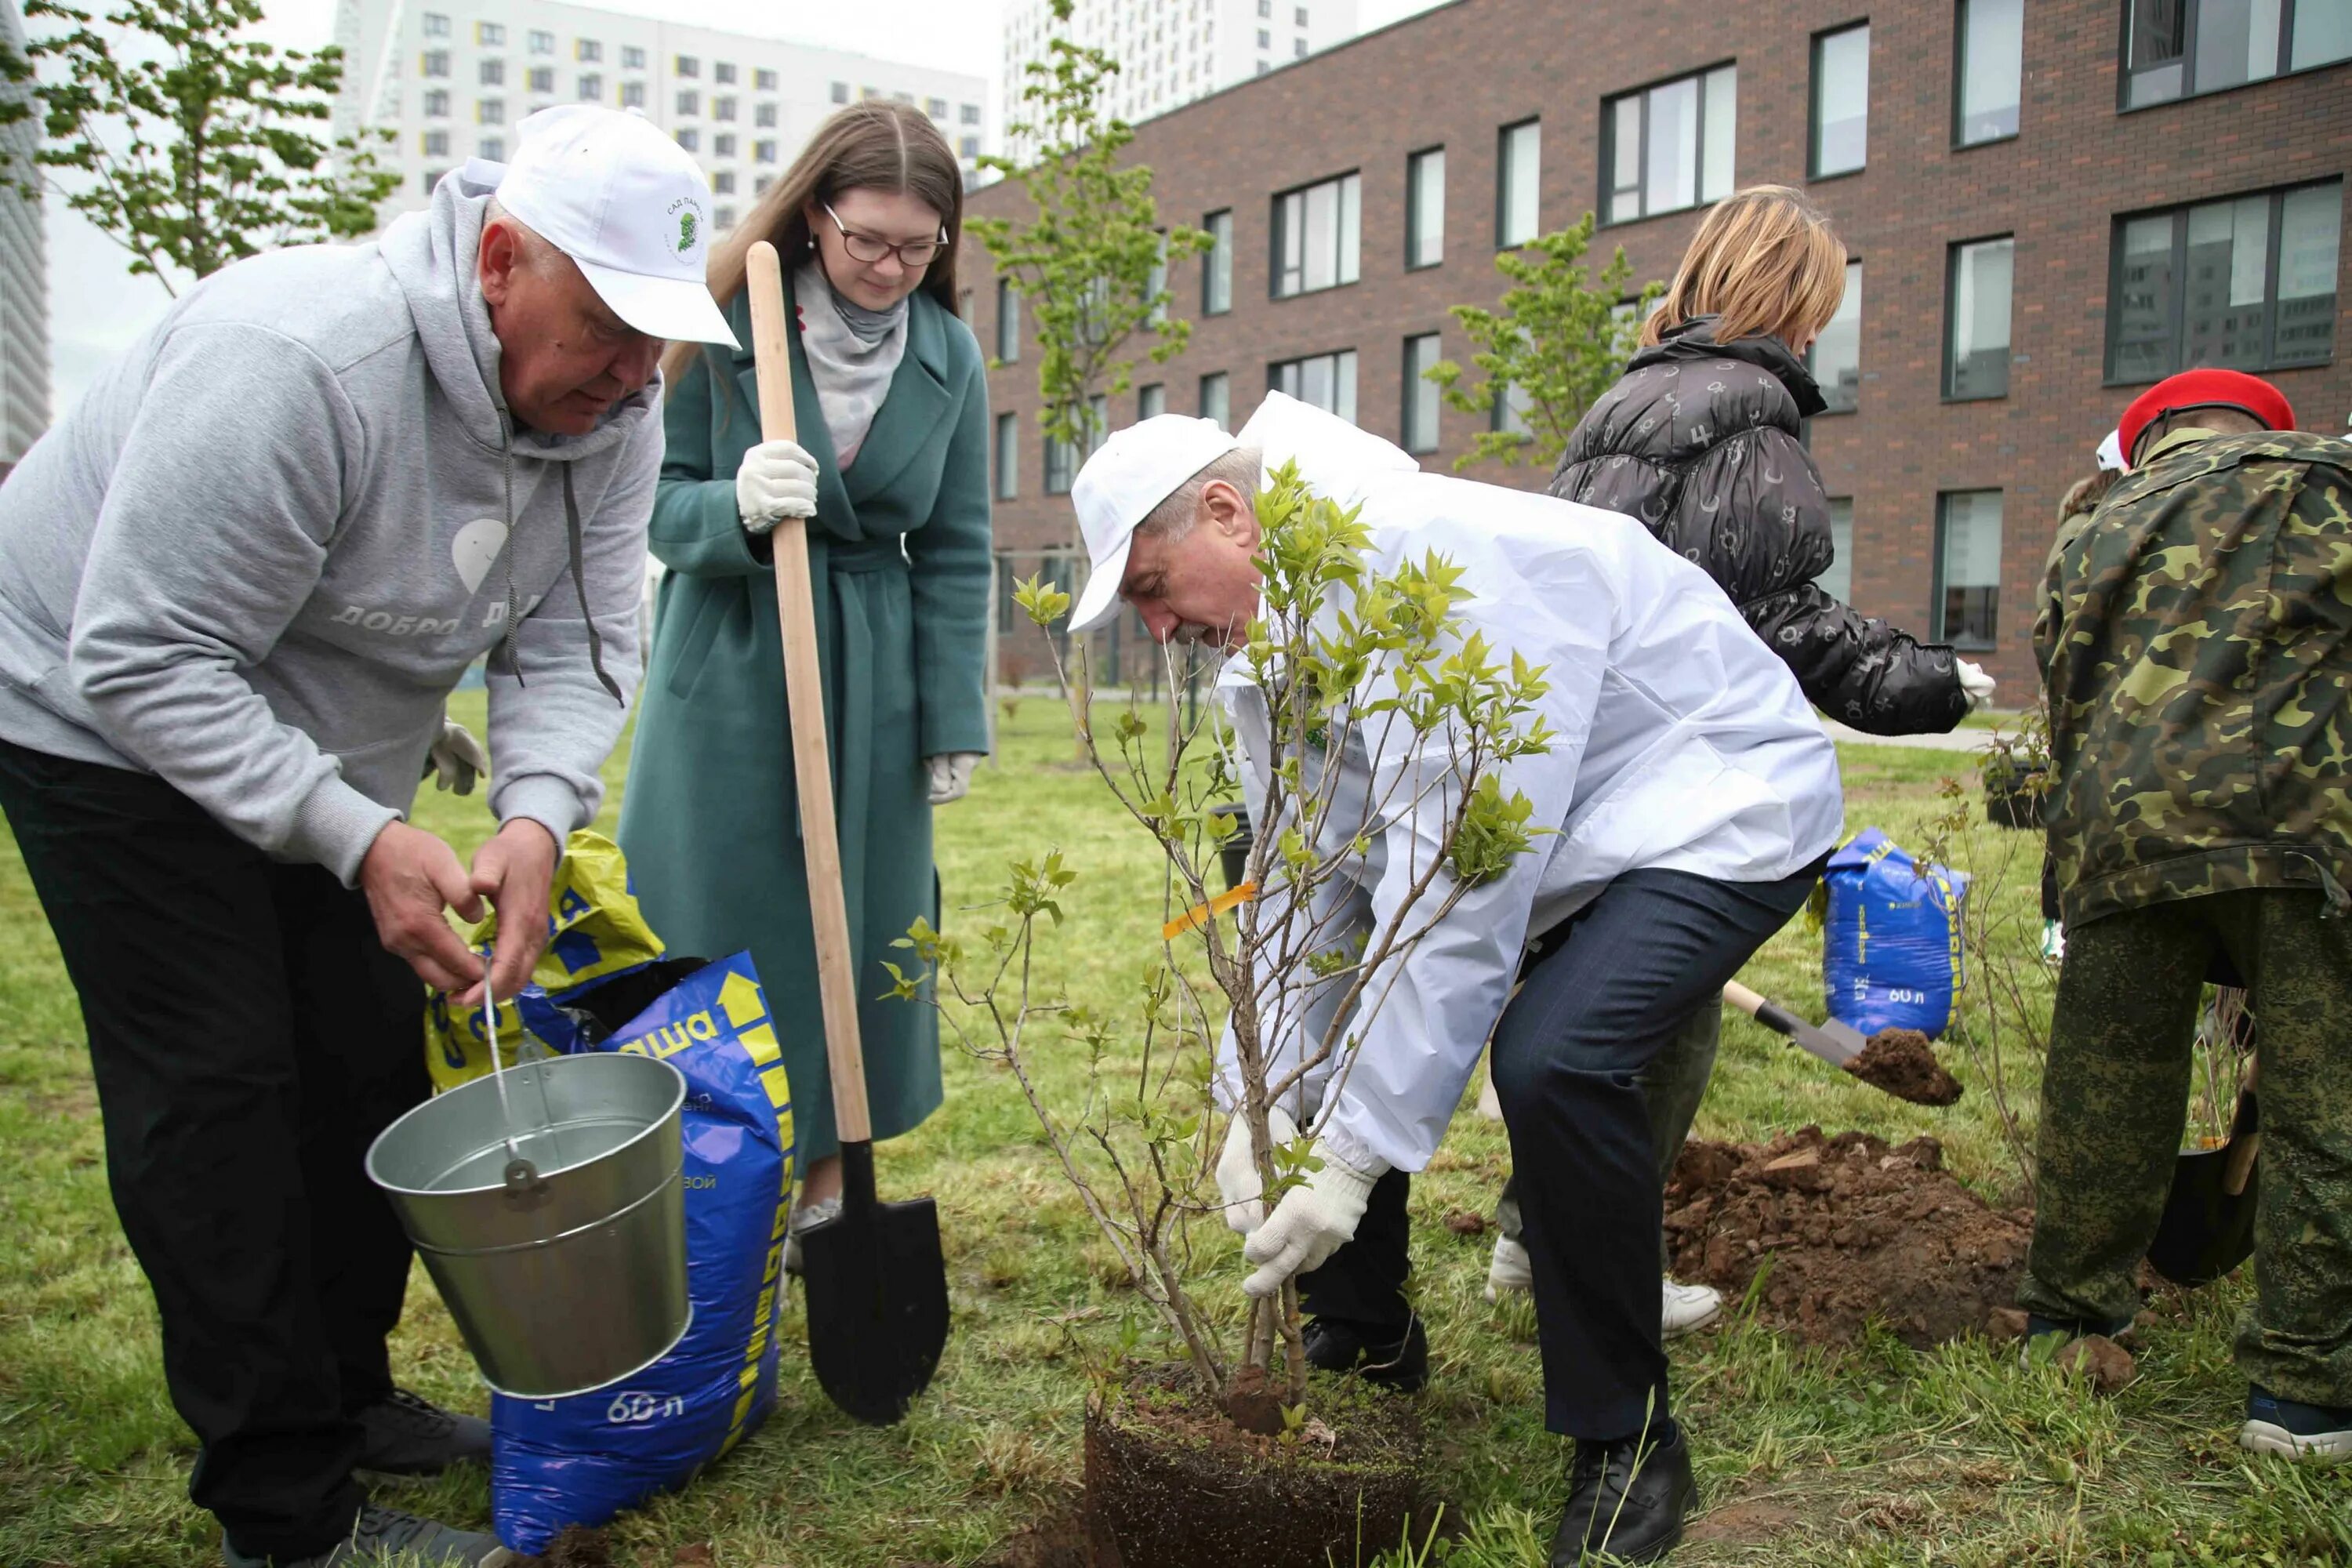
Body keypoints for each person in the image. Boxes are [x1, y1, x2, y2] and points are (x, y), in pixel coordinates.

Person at [0, 107, 735, 1567]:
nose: (637, 376)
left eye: (659, 339)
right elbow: (140, 652)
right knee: (218, 1092)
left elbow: (583, 647)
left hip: (330, 744)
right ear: (501, 259)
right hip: (92, 718)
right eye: (605, 328)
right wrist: (351, 831)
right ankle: (288, 1516)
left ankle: (350, 1397)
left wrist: (534, 817)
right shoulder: (302, 361)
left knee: (357, 1069)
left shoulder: (617, 412)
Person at [1067, 394, 1846, 1564]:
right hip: (1569, 837)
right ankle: (1367, 1339)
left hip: (1719, 805)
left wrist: (1349, 1161)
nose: (1160, 630)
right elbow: (1310, 886)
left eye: (1151, 588)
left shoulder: (1429, 568)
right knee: (1340, 1024)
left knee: (1558, 1060)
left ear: (1228, 513)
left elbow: (1456, 896)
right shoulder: (1274, 641)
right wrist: (1260, 1093)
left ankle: (1626, 1441)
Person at [1466, 186, 1998, 1335]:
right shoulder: (1750, 409)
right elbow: (1763, 612)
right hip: (1680, 777)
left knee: (1582, 1007)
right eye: (1825, 305)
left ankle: (1528, 1233)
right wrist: (1923, 682)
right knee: (1654, 1026)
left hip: (1590, 749)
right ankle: (1594, 1262)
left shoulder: (1626, 397)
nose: (1824, 333)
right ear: (1793, 298)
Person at [619, 101, 992, 1258]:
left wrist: (951, 715)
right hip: (731, 650)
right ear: (815, 213)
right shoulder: (727, 320)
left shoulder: (949, 354)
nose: (889, 267)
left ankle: (829, 1192)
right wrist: (732, 505)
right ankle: (704, 1175)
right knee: (720, 910)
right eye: (867, 239)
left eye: (916, 245)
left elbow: (960, 544)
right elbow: (649, 498)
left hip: (873, 665)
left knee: (866, 930)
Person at [2020, 367, 2352, 1461]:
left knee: (2104, 1096)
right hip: (2309, 832)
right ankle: (2301, 1398)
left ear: (2143, 439)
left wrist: (2067, 866)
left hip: (2128, 838)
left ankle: (2070, 1327)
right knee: (2325, 1109)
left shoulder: (2091, 524)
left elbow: (2063, 692)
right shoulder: (2331, 483)